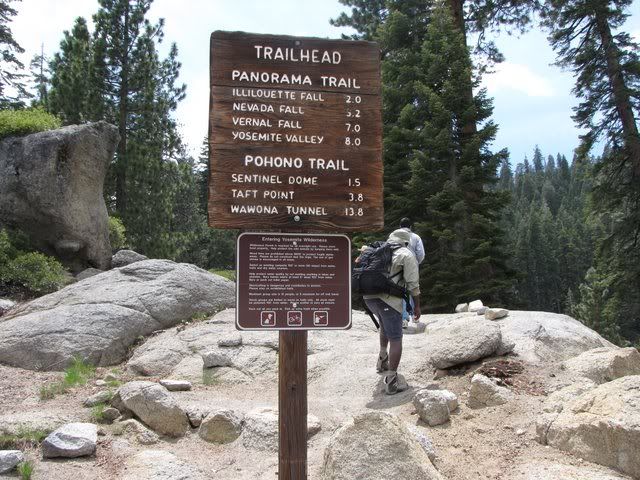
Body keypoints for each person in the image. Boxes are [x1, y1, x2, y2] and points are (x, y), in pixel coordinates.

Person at [363, 229, 421, 395]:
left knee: (384, 326)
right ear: (406, 242)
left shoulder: (377, 250)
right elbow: (413, 284)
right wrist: (416, 306)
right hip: (388, 300)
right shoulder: (406, 254)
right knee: (396, 338)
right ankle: (391, 381)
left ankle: (382, 360)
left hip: (368, 298)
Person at [399, 217, 424, 326]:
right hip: (412, 265)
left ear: (400, 226)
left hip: (398, 266)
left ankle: (404, 318)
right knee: (413, 289)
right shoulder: (415, 237)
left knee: (401, 290)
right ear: (410, 227)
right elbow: (421, 254)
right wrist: (416, 263)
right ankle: (415, 316)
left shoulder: (395, 236)